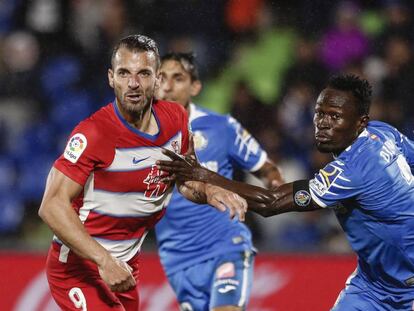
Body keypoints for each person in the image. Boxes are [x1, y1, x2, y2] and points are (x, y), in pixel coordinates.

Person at [158, 74, 414, 311]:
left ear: (360, 123)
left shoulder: (353, 170)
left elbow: (271, 202)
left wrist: (202, 175)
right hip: (372, 285)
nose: (323, 124)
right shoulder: (382, 132)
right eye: (319, 113)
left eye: (334, 117)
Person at [38, 34, 247, 311]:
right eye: (124, 73)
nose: (133, 84)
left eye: (143, 74)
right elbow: (51, 205)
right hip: (80, 266)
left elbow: (186, 179)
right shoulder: (95, 133)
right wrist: (104, 261)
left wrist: (209, 189)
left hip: (124, 266)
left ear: (158, 79)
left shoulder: (175, 120)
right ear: (111, 78)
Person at [154, 52, 283, 311]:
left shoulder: (221, 127)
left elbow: (265, 168)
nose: (167, 87)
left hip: (225, 244)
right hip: (178, 259)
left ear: (195, 86)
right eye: (161, 78)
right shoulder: (139, 135)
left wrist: (275, 184)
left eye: (177, 78)